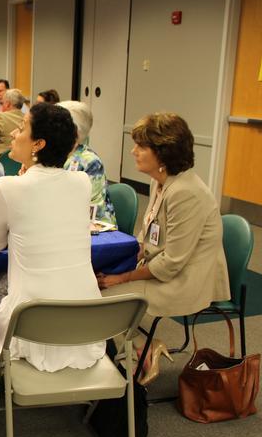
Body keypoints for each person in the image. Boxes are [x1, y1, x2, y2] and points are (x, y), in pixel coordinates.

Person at [0, 102, 105, 372]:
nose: (13, 133)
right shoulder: (81, 181)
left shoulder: (7, 186)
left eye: (21, 128)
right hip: (85, 323)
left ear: (38, 144)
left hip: (29, 328)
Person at [98, 113, 230, 319]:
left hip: (182, 282)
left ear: (164, 154)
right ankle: (128, 336)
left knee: (99, 300)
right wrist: (117, 267)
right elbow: (147, 236)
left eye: (141, 147)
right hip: (161, 270)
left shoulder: (185, 193)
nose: (133, 151)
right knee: (94, 284)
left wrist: (124, 277)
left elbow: (171, 263)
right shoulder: (159, 181)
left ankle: (132, 339)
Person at [58, 100, 116, 224]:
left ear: (74, 133)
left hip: (96, 227)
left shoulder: (90, 162)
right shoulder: (56, 153)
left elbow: (87, 208)